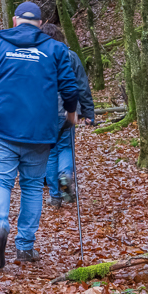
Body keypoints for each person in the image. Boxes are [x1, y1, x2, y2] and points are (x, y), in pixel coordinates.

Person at [0, 1, 80, 270]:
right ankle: (25, 246)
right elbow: (69, 86)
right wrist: (70, 115)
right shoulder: (55, 48)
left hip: (2, 124)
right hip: (40, 130)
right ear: (41, 23)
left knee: (0, 178)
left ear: (15, 20)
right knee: (32, 186)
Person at [40, 22, 95, 206]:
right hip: (67, 109)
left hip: (44, 111)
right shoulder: (71, 56)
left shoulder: (38, 58)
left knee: (49, 151)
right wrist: (88, 111)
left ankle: (55, 196)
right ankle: (65, 175)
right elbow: (82, 86)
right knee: (65, 147)